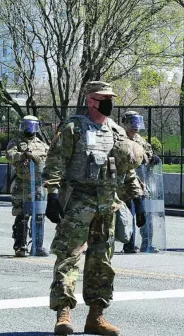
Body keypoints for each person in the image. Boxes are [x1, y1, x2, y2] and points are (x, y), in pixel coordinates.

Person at [42, 81, 145, 336]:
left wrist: (138, 199)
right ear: (90, 100)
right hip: (78, 201)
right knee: (68, 257)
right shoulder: (73, 128)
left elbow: (126, 169)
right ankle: (63, 313)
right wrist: (52, 195)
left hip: (106, 203)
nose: (109, 102)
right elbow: (56, 162)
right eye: (103, 98)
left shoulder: (117, 131)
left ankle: (96, 317)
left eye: (111, 97)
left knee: (102, 261)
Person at [6, 115, 49, 257]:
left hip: (38, 186)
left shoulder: (41, 144)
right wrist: (23, 155)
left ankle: (38, 246)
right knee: (22, 214)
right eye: (26, 125)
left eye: (32, 125)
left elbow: (48, 158)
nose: (29, 128)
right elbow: (9, 155)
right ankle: (20, 245)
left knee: (39, 216)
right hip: (22, 184)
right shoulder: (16, 142)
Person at [121, 110, 161, 254]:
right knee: (128, 214)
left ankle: (147, 243)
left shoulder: (139, 139)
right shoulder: (120, 138)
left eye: (137, 121)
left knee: (145, 214)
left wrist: (152, 157)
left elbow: (148, 153)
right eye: (132, 121)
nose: (135, 124)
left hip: (142, 183)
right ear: (125, 123)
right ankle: (129, 244)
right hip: (126, 184)